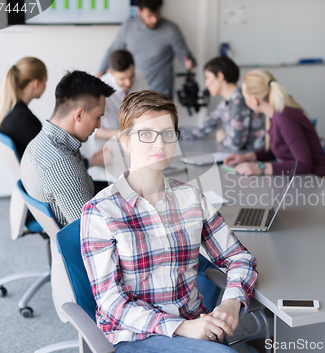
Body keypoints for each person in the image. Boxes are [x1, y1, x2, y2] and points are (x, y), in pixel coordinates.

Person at [81, 90, 257, 352]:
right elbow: (111, 302)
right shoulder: (101, 211)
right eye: (147, 134)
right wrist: (180, 328)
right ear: (126, 141)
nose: (159, 144)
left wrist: (232, 301)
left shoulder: (191, 198)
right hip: (137, 335)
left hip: (195, 325)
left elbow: (239, 257)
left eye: (167, 133)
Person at [21, 71, 115, 227]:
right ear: (79, 115)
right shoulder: (62, 164)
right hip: (85, 239)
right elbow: (90, 230)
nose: (99, 125)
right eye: (98, 117)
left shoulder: (39, 142)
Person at [224, 69, 325, 176]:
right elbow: (277, 149)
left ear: (255, 100)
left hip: (321, 181)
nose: (245, 101)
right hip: (306, 180)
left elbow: (304, 164)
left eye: (245, 97)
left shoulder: (285, 118)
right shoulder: (274, 116)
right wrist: (246, 157)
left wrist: (260, 168)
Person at [97, 0, 195, 99]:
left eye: (157, 15)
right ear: (139, 11)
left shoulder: (171, 30)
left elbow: (185, 56)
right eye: (149, 16)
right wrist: (99, 76)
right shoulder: (128, 27)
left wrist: (188, 62)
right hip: (134, 90)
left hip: (160, 93)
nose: (154, 20)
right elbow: (113, 52)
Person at [179, 56, 265, 151]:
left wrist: (222, 138)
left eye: (207, 78)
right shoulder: (225, 104)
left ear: (220, 76)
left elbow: (235, 144)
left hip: (253, 158)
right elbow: (202, 129)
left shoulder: (239, 100)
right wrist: (170, 133)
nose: (206, 84)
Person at [0, 57, 47, 159]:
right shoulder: (24, 121)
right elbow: (50, 157)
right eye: (45, 81)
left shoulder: (8, 115)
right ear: (36, 84)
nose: (45, 86)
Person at [96, 50, 149, 140]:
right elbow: (96, 130)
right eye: (122, 79)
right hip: (107, 142)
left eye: (131, 76)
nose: (128, 83)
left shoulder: (140, 77)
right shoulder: (100, 87)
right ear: (110, 73)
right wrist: (124, 135)